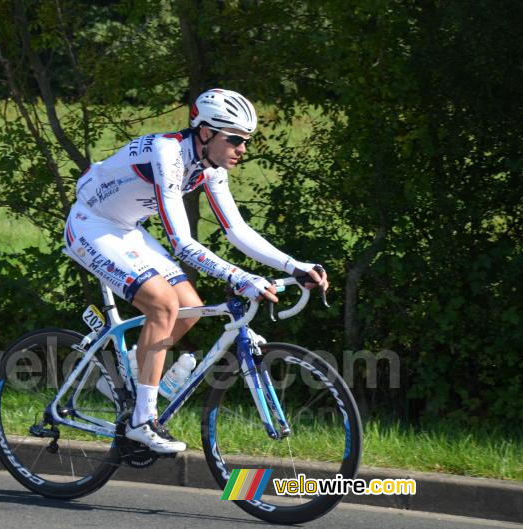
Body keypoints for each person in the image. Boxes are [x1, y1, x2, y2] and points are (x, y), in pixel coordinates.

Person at [62, 89, 329, 453]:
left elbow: (237, 230)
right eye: (234, 139)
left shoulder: (210, 168)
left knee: (188, 307)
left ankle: (127, 379)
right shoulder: (167, 153)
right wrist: (239, 277)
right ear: (204, 133)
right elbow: (181, 243)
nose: (242, 149)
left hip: (126, 227)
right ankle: (142, 420)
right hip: (90, 224)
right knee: (162, 305)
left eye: (246, 141)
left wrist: (295, 266)